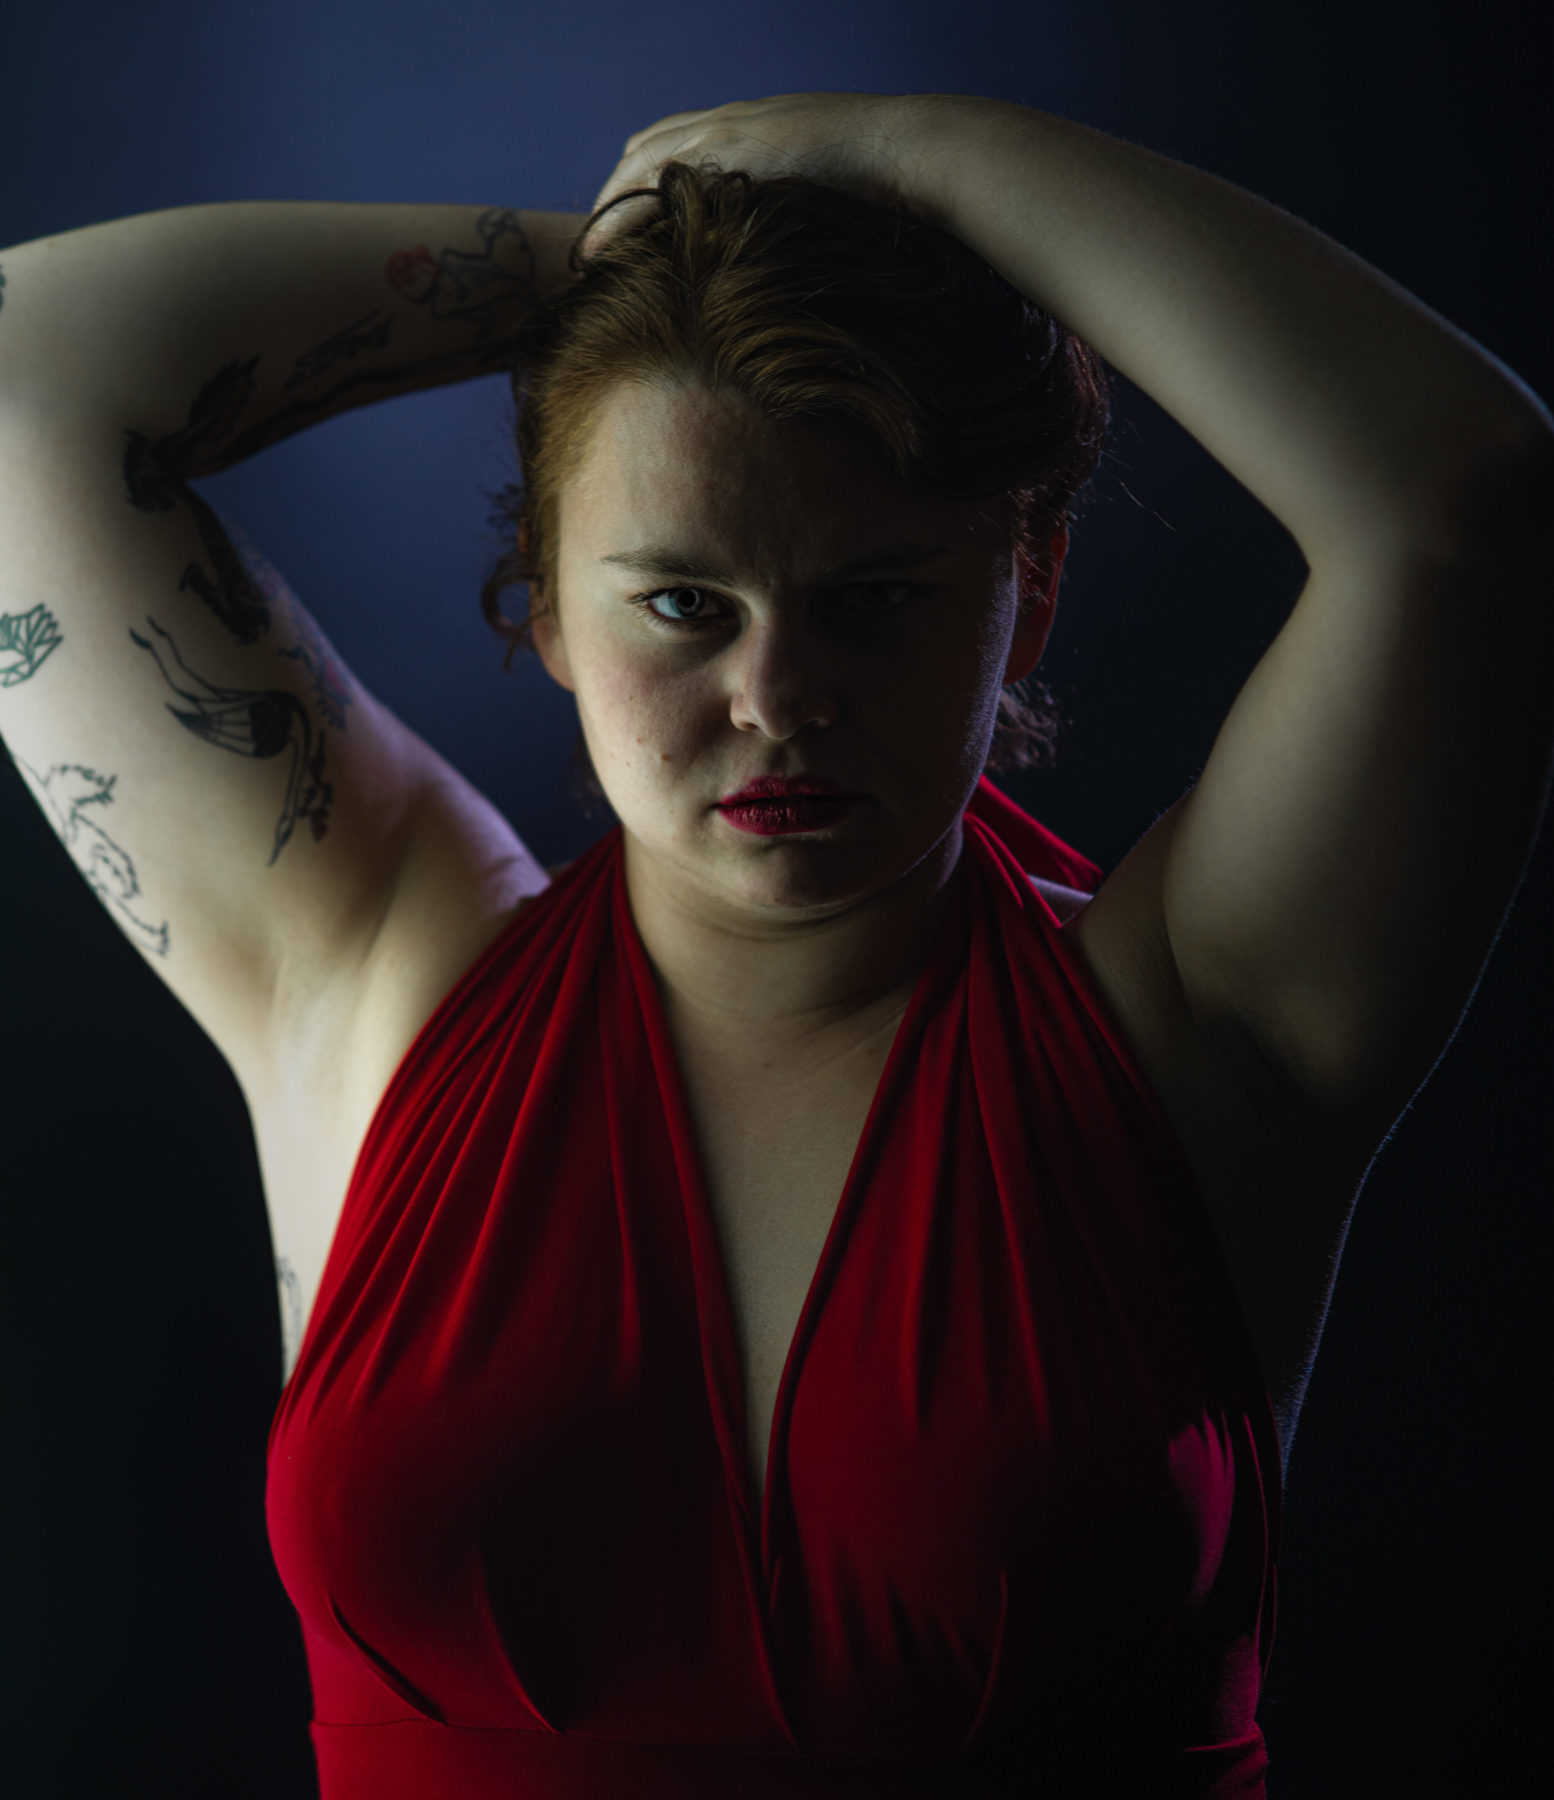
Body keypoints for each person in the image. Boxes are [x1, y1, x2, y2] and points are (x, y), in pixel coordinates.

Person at [1, 89, 1548, 1799]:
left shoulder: (1202, 1019)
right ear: (545, 604)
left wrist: (899, 161)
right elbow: (19, 372)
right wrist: (637, 275)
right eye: (682, 602)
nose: (778, 696)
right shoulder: (368, 971)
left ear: (1026, 592)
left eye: (874, 599)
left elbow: (1461, 498)